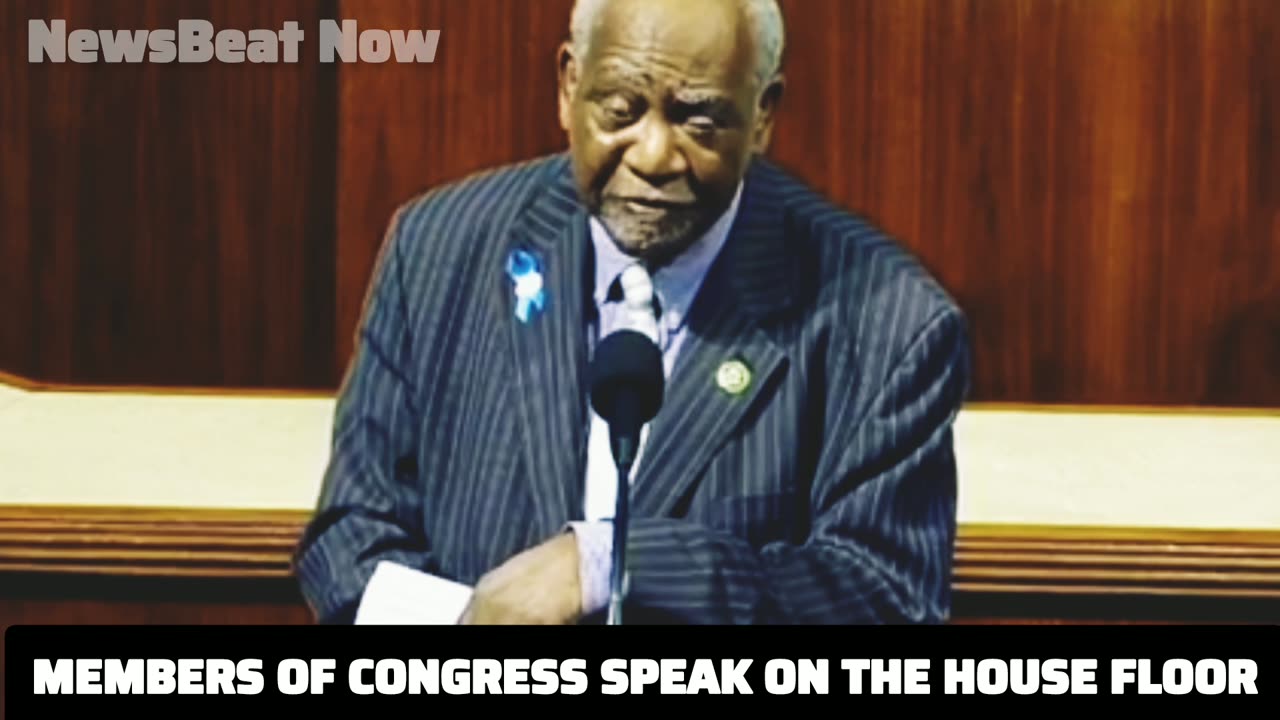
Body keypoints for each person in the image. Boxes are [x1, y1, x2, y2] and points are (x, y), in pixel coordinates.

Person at [293, 0, 970, 625]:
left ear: (762, 114)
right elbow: (352, 535)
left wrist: (608, 564)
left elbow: (885, 598)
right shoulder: (440, 250)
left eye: (699, 120)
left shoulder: (887, 323)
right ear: (568, 86)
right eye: (620, 108)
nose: (654, 156)